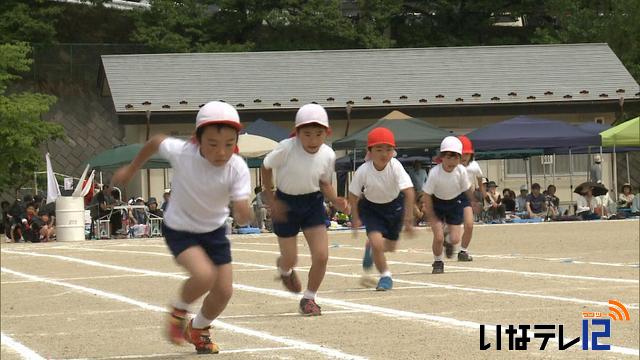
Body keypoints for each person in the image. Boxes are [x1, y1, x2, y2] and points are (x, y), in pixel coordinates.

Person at [112, 101, 251, 354]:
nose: (221, 152)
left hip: (214, 232)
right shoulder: (182, 152)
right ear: (197, 139)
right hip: (180, 229)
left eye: (229, 144)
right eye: (212, 144)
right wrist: (132, 169)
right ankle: (178, 311)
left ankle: (198, 329)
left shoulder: (237, 167)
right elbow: (155, 141)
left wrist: (243, 211)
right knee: (204, 276)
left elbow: (242, 205)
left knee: (224, 291)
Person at [261, 103, 349, 316]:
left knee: (321, 256)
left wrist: (336, 200)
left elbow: (325, 183)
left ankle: (309, 298)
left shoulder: (328, 154)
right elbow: (265, 166)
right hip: (285, 204)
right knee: (290, 259)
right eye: (307, 134)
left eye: (319, 134)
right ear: (297, 132)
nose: (313, 140)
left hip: (312, 203)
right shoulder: (286, 147)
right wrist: (270, 195)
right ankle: (285, 269)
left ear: (326, 134)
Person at [348, 127, 415, 291]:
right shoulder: (363, 170)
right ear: (369, 151)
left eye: (388, 149)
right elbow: (352, 194)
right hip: (371, 209)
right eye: (379, 149)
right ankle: (385, 276)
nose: (384, 154)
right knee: (378, 244)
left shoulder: (395, 166)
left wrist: (408, 218)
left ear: (393, 151)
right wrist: (355, 217)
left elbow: (409, 191)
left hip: (394, 207)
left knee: (391, 247)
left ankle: (370, 247)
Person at [421, 136, 473, 274]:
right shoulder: (435, 173)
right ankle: (438, 261)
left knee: (455, 239)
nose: (452, 161)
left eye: (455, 157)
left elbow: (466, 189)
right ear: (441, 157)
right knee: (438, 237)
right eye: (448, 157)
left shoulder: (461, 171)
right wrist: (429, 213)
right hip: (437, 204)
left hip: (454, 203)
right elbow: (426, 194)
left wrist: (473, 202)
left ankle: (448, 240)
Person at [456, 135, 483, 261]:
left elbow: (479, 180)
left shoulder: (474, 166)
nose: (465, 156)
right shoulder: (452, 166)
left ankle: (463, 251)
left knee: (469, 225)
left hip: (466, 197)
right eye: (462, 154)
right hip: (450, 197)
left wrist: (481, 195)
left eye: (467, 153)